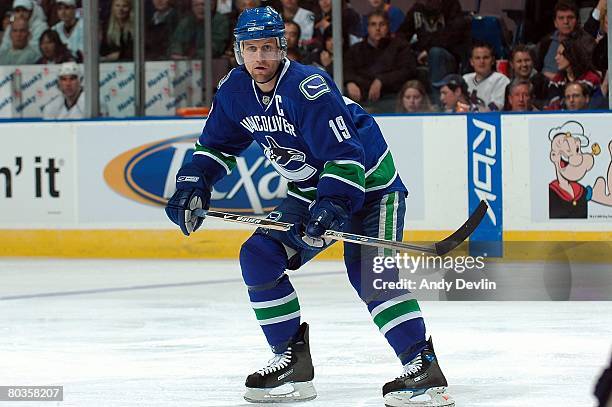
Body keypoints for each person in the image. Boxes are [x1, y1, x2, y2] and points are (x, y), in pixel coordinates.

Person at [164, 6, 454, 406]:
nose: (260, 58)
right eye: (251, 48)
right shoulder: (234, 90)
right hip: (311, 192)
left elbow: (346, 157)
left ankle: (422, 365)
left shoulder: (307, 88)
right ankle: (291, 361)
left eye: (268, 47)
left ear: (282, 48)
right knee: (259, 255)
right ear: (238, 51)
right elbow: (214, 146)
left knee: (370, 274)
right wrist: (193, 183)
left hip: (371, 187)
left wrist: (333, 205)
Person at [344, 10, 416, 111]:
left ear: (388, 26)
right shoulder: (356, 50)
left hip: (391, 98)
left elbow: (408, 70)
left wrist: (381, 80)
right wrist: (350, 82)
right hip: (361, 98)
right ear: (368, 28)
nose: (377, 28)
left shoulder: (400, 47)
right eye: (373, 24)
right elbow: (346, 69)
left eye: (382, 24)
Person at [398, 0, 470, 94]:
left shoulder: (451, 5)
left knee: (435, 53)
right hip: (423, 55)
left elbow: (452, 35)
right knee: (401, 54)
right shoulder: (417, 9)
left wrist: (428, 51)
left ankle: (438, 104)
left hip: (447, 56)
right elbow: (402, 34)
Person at [535, 0, 595, 80]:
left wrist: (556, 78)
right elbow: (536, 68)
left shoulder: (586, 42)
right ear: (555, 23)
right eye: (561, 18)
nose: (566, 22)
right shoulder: (546, 42)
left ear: (577, 21)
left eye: (570, 17)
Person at [547, 37, 601, 109]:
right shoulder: (556, 81)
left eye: (560, 54)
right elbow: (554, 107)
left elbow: (596, 106)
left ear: (571, 55)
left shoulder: (591, 79)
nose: (556, 57)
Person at [463, 40, 510, 111]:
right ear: (471, 62)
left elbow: (495, 109)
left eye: (486, 57)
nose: (482, 61)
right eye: (477, 58)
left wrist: (470, 109)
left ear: (493, 60)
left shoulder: (501, 80)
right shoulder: (465, 79)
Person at [509, 44, 549, 109]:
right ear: (512, 64)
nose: (524, 64)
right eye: (519, 61)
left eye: (527, 60)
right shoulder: (509, 86)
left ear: (533, 61)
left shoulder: (543, 82)